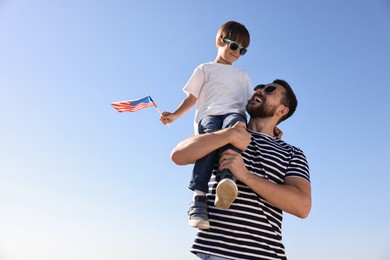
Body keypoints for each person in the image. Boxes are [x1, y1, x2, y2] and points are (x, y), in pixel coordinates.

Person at [171, 79, 312, 260]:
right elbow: (178, 155)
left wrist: (245, 175)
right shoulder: (223, 134)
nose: (259, 90)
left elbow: (302, 206)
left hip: (266, 254)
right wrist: (229, 133)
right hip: (215, 252)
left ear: (282, 110)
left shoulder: (292, 153)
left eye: (269, 90)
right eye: (258, 87)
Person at [160, 21, 254, 229]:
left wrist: (271, 128)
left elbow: (251, 106)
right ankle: (199, 199)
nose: (237, 53)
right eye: (234, 46)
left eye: (243, 50)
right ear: (221, 41)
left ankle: (226, 180)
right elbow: (192, 98)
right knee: (210, 142)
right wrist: (174, 115)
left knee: (236, 129)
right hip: (209, 115)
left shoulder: (242, 75)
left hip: (234, 114)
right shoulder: (205, 69)